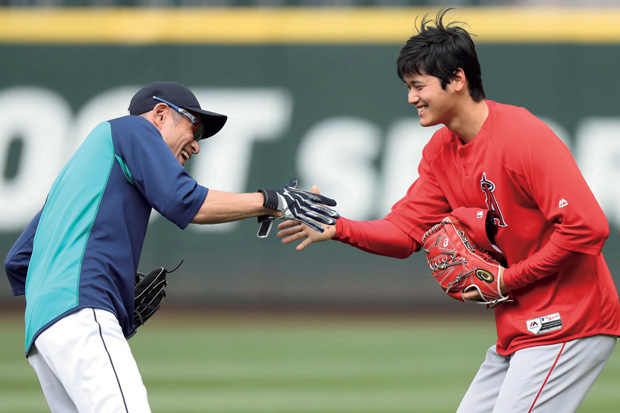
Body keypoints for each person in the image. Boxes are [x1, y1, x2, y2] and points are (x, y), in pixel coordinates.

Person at [277, 9, 620, 412]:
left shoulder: (523, 137)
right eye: (408, 86)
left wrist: (510, 279)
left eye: (418, 85)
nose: (411, 98)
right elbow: (405, 234)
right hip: (520, 329)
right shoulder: (440, 152)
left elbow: (587, 229)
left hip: (570, 321)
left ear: (457, 79)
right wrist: (338, 227)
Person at [4, 81, 337, 412]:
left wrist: (89, 294)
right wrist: (271, 200)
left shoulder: (77, 174)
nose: (197, 145)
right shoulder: (133, 129)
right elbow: (184, 201)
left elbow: (18, 260)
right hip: (81, 312)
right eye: (195, 126)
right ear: (161, 114)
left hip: (43, 330)